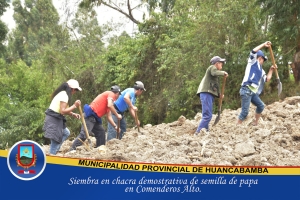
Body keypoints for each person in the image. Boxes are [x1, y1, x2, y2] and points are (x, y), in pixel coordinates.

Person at [69, 85, 122, 150]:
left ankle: (100, 149)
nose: (118, 97)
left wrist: (115, 126)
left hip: (95, 118)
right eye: (119, 95)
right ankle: (72, 150)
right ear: (117, 93)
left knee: (101, 132)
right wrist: (117, 115)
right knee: (84, 134)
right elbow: (110, 105)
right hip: (90, 116)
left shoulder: (109, 101)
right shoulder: (111, 94)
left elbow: (109, 116)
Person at [237, 41, 276, 126]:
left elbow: (267, 79)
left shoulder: (261, 70)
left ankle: (255, 123)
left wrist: (271, 70)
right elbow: (253, 51)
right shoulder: (252, 62)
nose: (263, 62)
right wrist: (263, 44)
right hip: (246, 90)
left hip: (252, 92)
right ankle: (237, 127)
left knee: (261, 106)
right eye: (263, 60)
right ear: (260, 58)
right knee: (245, 112)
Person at [43, 79, 82, 155]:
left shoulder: (63, 94)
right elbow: (62, 111)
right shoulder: (64, 95)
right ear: (73, 89)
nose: (75, 92)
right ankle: (52, 156)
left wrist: (73, 114)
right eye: (76, 90)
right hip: (53, 119)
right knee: (55, 140)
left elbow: (64, 110)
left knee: (66, 133)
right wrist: (74, 106)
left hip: (56, 118)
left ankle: (55, 150)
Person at [195, 56, 228, 135]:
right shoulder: (212, 68)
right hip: (206, 93)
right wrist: (223, 73)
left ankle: (205, 131)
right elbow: (214, 72)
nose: (222, 66)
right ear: (217, 64)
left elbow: (215, 86)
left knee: (207, 115)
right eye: (221, 64)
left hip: (208, 94)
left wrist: (219, 94)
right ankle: (198, 133)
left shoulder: (215, 77)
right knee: (207, 116)